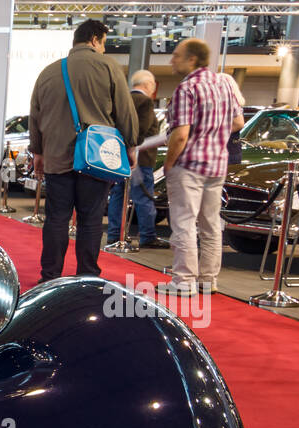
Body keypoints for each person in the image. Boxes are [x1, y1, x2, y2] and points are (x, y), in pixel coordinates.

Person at [29, 19, 138, 282]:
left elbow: (35, 115)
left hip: (56, 158)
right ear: (95, 39)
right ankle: (87, 275)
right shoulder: (108, 67)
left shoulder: (49, 72)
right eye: (104, 43)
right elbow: (125, 111)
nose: (103, 49)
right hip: (96, 157)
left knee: (56, 217)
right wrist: (130, 145)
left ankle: (50, 275)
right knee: (90, 218)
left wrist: (38, 152)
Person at [159, 38, 244, 296]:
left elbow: (181, 134)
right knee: (210, 224)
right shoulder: (224, 84)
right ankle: (208, 280)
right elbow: (238, 123)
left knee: (184, 222)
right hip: (217, 165)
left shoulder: (187, 88)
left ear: (192, 59)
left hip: (190, 166)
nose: (172, 60)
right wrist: (212, 135)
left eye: (176, 55)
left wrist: (168, 163)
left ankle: (183, 281)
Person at [106, 70, 165, 249]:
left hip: (118, 156)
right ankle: (147, 235)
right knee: (143, 197)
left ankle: (114, 233)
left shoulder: (121, 100)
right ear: (148, 85)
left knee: (118, 195)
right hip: (140, 159)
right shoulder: (145, 102)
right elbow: (142, 130)